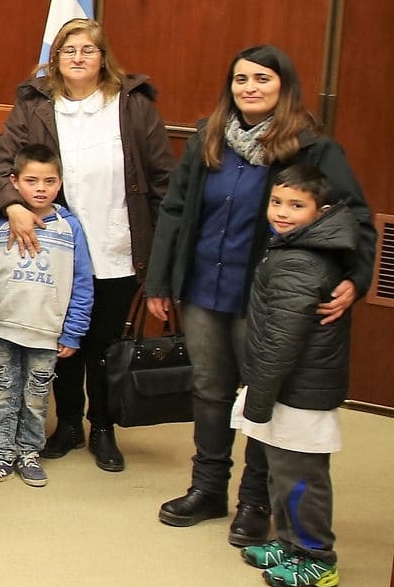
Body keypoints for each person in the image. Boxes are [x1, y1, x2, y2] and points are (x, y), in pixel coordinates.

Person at [148, 45, 372, 545]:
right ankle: (206, 488)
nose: (249, 88)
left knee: (259, 394)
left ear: (283, 87)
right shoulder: (208, 137)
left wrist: (355, 281)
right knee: (209, 389)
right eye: (241, 79)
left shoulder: (312, 147)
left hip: (267, 295)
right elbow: (176, 211)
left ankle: (254, 501)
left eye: (262, 79)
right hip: (204, 286)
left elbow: (354, 217)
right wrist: (159, 282)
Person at [0, 18, 173, 471]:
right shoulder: (34, 105)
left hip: (117, 244)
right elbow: (4, 169)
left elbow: (164, 180)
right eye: (68, 50)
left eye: (87, 50)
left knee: (104, 343)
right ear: (55, 59)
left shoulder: (132, 106)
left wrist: (169, 258)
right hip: (54, 246)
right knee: (61, 340)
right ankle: (69, 423)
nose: (77, 58)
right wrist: (13, 204)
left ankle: (104, 427)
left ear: (103, 57)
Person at [234, 165, 355, 587]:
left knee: (302, 478)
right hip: (287, 387)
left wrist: (259, 397)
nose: (282, 213)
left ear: (320, 212)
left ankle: (317, 556)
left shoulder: (301, 261)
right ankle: (289, 542)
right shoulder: (291, 248)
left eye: (296, 206)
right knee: (281, 472)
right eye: (277, 202)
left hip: (299, 390)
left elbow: (283, 338)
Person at [0, 146, 94, 490]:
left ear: (60, 183)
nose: (41, 188)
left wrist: (73, 332)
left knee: (37, 396)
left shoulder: (70, 227)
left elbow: (82, 283)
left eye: (49, 181)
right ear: (14, 182)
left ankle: (28, 453)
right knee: (0, 392)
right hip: (1, 327)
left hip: (46, 332)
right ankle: (0, 455)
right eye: (31, 180)